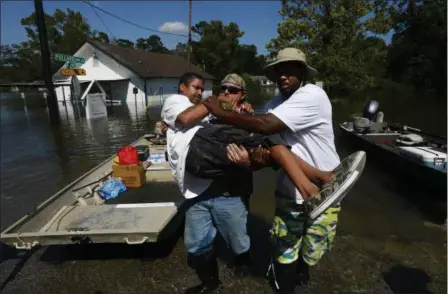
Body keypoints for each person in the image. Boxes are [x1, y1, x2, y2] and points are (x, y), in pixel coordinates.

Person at [203, 48, 341, 293]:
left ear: (302, 72)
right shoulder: (273, 104)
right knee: (284, 249)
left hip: (327, 190)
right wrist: (252, 161)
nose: (283, 76)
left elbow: (266, 125)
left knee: (314, 247)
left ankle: (303, 269)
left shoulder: (313, 94)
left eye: (290, 70)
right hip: (289, 190)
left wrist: (221, 112)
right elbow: (266, 148)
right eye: (279, 71)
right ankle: (284, 281)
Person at [161, 72, 256, 294]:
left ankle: (242, 261)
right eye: (222, 89)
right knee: (196, 244)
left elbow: (258, 155)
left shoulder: (248, 119)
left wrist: (247, 161)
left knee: (238, 239)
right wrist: (165, 126)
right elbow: (184, 123)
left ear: (242, 96)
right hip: (199, 192)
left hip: (231, 192)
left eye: (232, 91)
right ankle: (211, 283)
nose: (225, 93)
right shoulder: (209, 114)